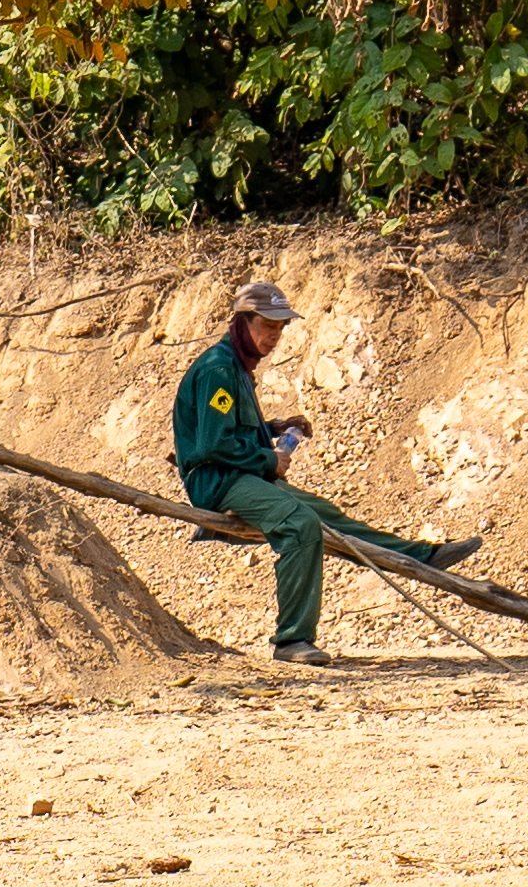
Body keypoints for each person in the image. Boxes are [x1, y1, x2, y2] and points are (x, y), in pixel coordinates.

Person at [172, 279, 478, 665]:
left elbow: (234, 431)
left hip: (240, 476)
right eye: (268, 327)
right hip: (217, 482)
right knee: (300, 524)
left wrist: (275, 428)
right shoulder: (218, 369)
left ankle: (421, 557)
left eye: (281, 329)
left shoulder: (236, 366)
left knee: (327, 515)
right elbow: (213, 445)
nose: (275, 337)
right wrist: (270, 461)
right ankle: (292, 640)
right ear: (242, 322)